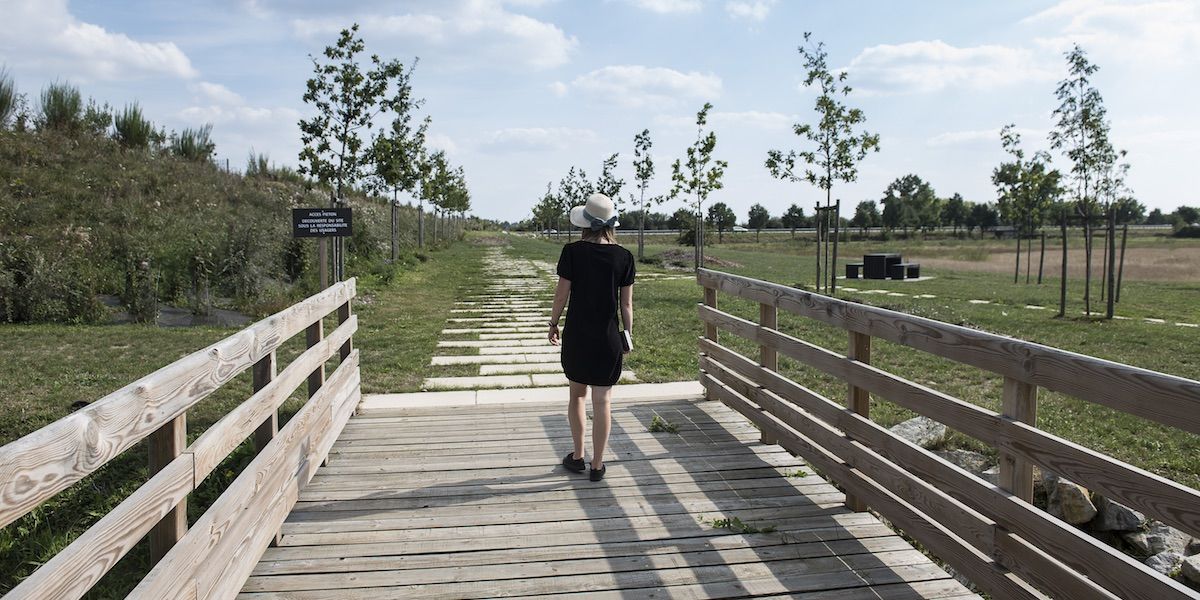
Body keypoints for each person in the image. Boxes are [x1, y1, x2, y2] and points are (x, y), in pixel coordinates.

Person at [548, 193, 635, 482]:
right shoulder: (624, 257)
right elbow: (626, 305)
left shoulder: (572, 252)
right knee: (603, 402)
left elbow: (562, 293)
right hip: (608, 338)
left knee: (577, 396)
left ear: (585, 223)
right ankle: (598, 465)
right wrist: (628, 335)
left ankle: (578, 456)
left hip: (579, 337)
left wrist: (553, 323)